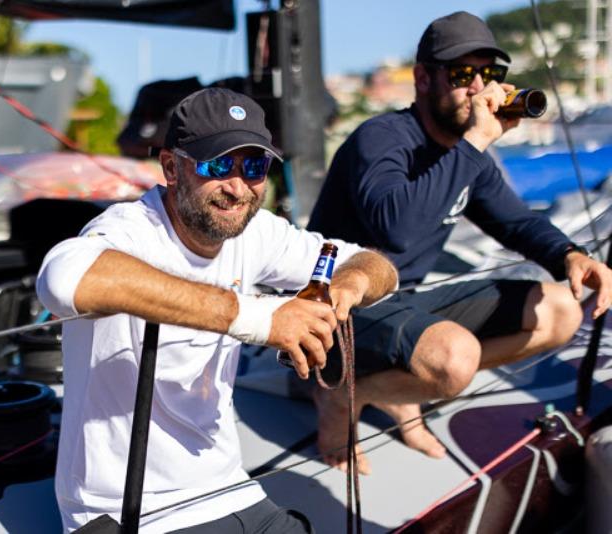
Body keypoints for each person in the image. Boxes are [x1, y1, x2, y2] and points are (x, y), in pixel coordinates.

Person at [36, 87, 398, 533]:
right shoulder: (131, 230)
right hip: (127, 509)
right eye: (218, 164)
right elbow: (64, 278)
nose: (237, 186)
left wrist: (346, 287)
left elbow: (378, 267)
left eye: (254, 166)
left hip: (227, 486)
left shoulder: (256, 232)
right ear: (171, 167)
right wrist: (261, 319)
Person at [307, 11, 612, 474]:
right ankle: (339, 394)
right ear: (424, 78)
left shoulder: (465, 155)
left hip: (405, 302)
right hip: (339, 312)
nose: (478, 87)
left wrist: (570, 255)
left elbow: (515, 222)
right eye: (463, 73)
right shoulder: (383, 139)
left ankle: (375, 391)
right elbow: (397, 230)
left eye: (489, 74)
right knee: (454, 358)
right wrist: (474, 143)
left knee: (562, 311)